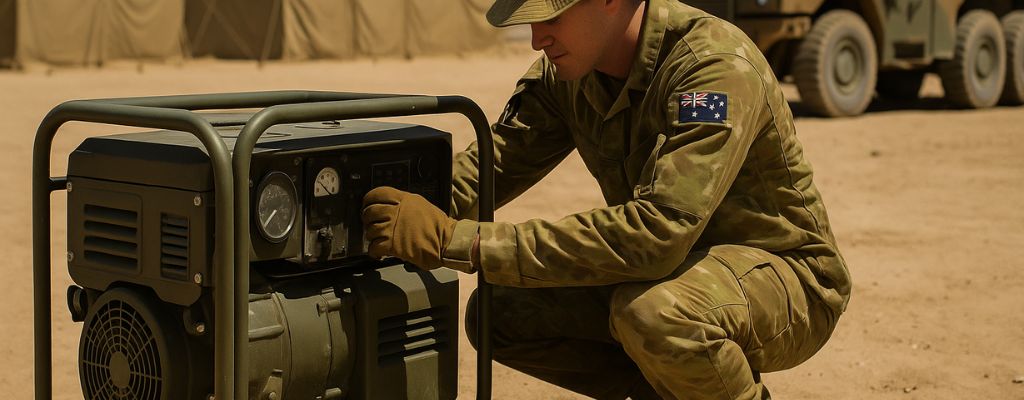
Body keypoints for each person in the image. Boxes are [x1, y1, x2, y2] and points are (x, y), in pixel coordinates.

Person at [361, 0, 851, 398]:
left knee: (657, 315)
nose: (537, 38)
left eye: (552, 17)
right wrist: (380, 213)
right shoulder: (568, 74)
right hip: (671, 271)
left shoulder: (712, 69)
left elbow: (658, 233)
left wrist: (460, 242)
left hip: (788, 279)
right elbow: (489, 169)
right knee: (501, 313)